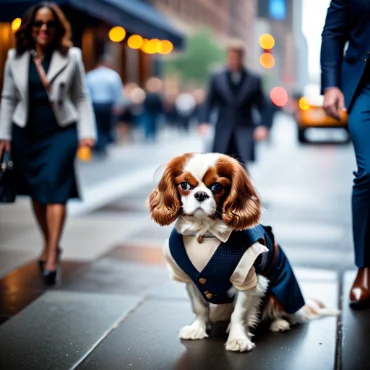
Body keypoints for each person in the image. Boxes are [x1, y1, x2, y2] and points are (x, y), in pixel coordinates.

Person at [0, 2, 96, 285]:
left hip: (61, 132)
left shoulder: (72, 55)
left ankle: (52, 251)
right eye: (38, 24)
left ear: (58, 28)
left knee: (55, 187)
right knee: (38, 194)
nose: (44, 29)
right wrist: (3, 135)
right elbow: (7, 98)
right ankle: (48, 242)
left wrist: (86, 133)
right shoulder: (14, 57)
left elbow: (81, 96)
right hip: (25, 132)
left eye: (49, 24)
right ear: (30, 27)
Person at [321, 0, 370, 309]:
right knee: (369, 173)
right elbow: (333, 33)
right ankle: (366, 267)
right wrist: (331, 83)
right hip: (365, 87)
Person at [198, 40, 269, 168]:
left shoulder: (254, 79)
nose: (234, 61)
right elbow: (209, 102)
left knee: (241, 169)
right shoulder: (216, 76)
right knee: (220, 169)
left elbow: (263, 105)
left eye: (237, 58)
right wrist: (203, 122)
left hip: (245, 131)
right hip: (223, 129)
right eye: (232, 58)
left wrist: (263, 126)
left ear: (242, 58)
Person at [86, 55, 124, 154]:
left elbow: (86, 92)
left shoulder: (90, 75)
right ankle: (103, 144)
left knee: (96, 125)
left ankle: (99, 144)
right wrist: (118, 104)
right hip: (108, 104)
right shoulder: (113, 75)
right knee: (106, 125)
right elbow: (117, 92)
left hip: (94, 104)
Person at [142, 77, 163, 142]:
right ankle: (147, 135)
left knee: (154, 124)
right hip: (148, 112)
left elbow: (160, 105)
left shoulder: (157, 95)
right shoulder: (148, 95)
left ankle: (152, 135)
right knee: (148, 124)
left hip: (154, 112)